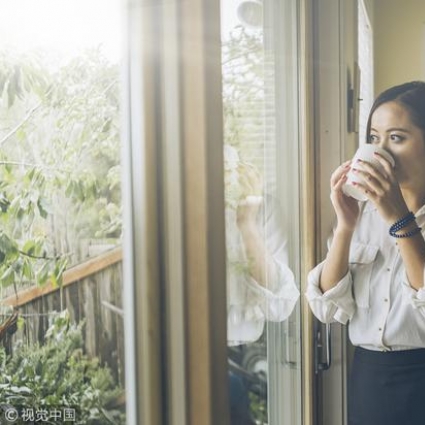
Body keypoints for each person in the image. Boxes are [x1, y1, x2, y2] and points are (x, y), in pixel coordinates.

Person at [305, 81, 425, 425]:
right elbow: (327, 307)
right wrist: (345, 226)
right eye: (374, 138)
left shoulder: (390, 215)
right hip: (370, 381)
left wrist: (399, 218)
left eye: (397, 138)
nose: (381, 151)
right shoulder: (364, 216)